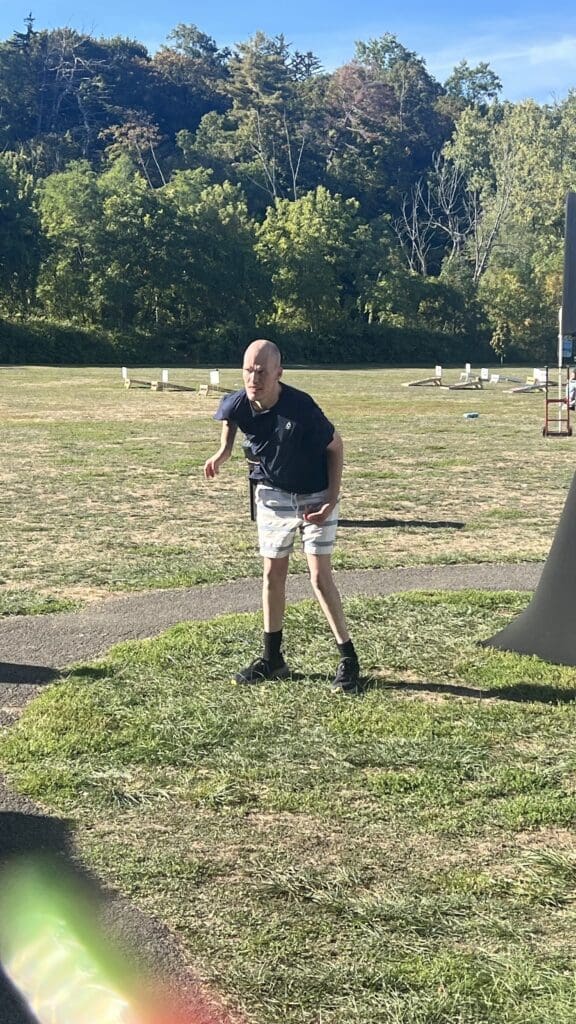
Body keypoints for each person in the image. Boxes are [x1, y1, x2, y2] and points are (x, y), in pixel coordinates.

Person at [204, 339, 360, 693]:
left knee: (319, 577)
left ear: (278, 373)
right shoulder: (237, 401)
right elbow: (231, 418)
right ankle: (273, 659)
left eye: (261, 371)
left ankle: (348, 659)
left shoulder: (301, 407)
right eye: (247, 370)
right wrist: (223, 452)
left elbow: (335, 446)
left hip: (315, 494)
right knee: (272, 575)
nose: (253, 378)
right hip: (272, 494)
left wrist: (332, 499)